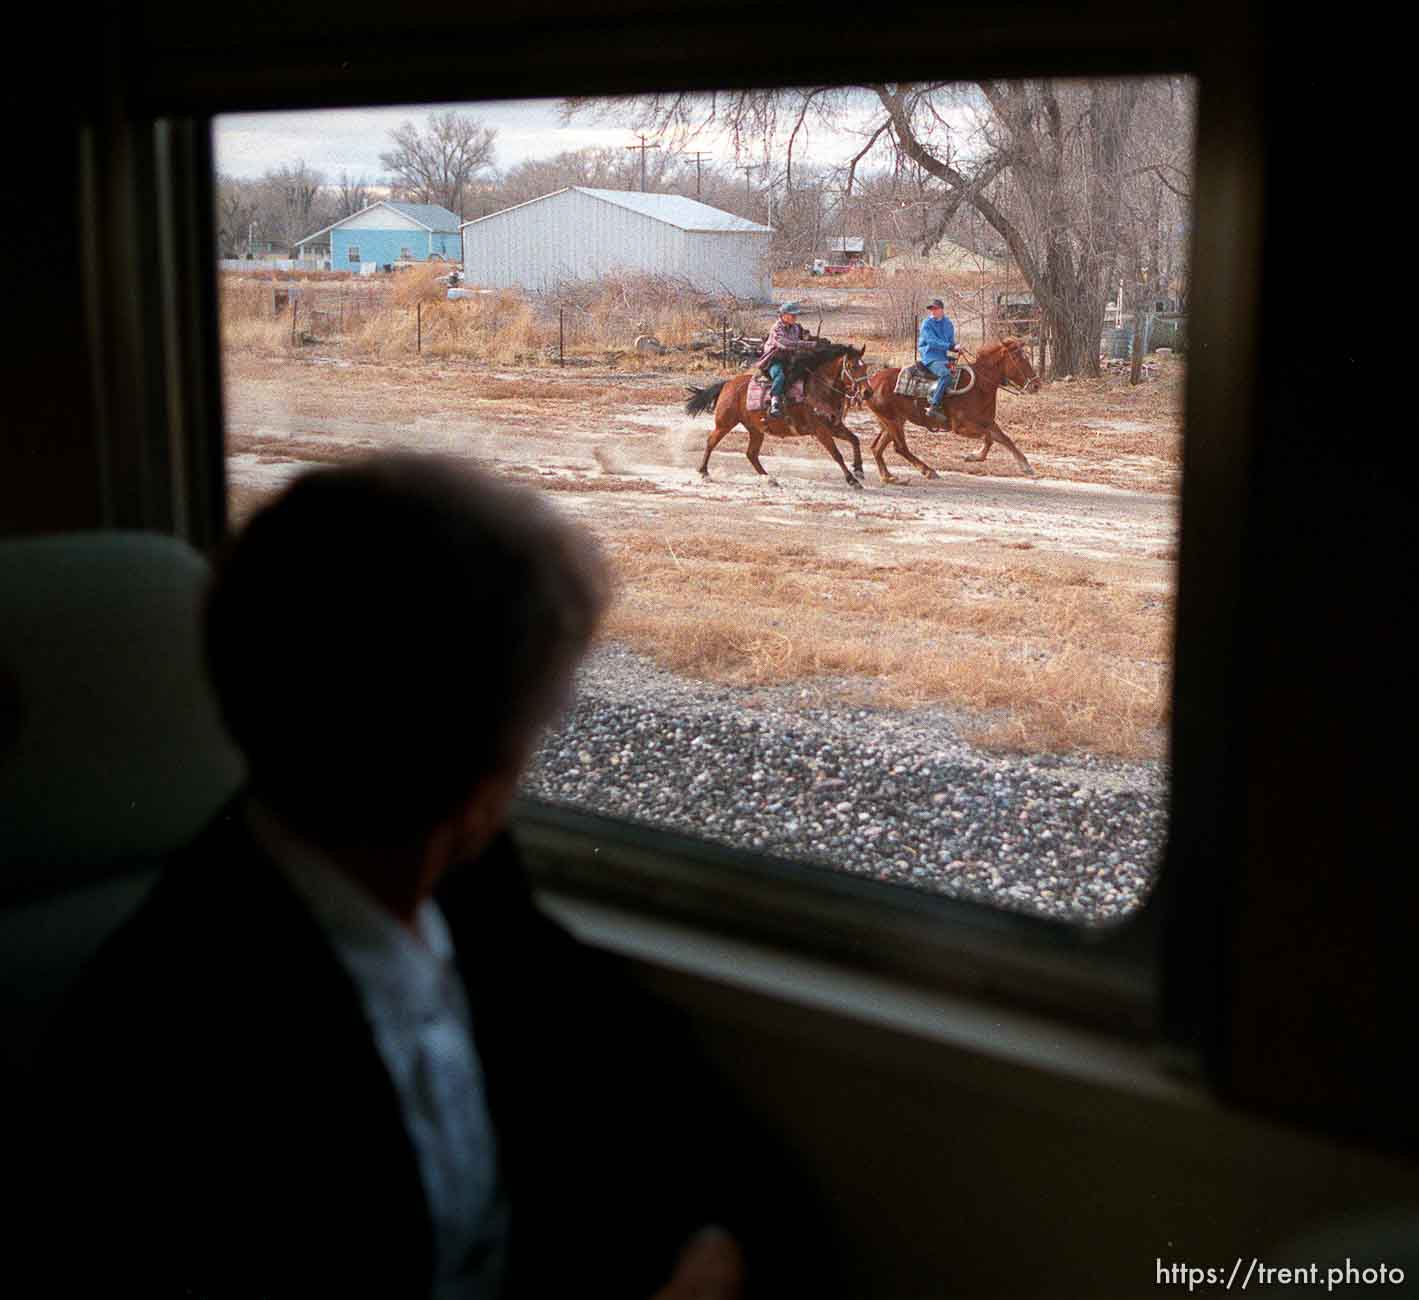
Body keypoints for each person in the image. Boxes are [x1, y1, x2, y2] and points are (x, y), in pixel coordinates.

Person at [32, 455, 803, 1299]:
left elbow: (673, 1099)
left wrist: (718, 1244)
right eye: (534, 723)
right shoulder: (163, 1055)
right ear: (483, 774)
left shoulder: (465, 891)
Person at [757, 300, 818, 417]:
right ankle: (774, 402)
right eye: (792, 314)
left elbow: (800, 339)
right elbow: (785, 344)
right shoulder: (776, 328)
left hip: (790, 359)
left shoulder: (796, 327)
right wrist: (806, 344)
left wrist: (810, 341)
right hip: (775, 359)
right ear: (783, 315)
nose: (795, 317)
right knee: (779, 376)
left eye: (796, 315)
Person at [918, 297, 958, 418]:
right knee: (946, 375)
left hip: (943, 357)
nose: (933, 311)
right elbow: (932, 341)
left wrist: (956, 347)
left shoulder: (948, 324)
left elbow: (950, 341)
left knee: (960, 375)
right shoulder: (926, 324)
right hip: (930, 357)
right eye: (931, 309)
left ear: (942, 310)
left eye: (935, 309)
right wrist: (950, 346)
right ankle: (933, 406)